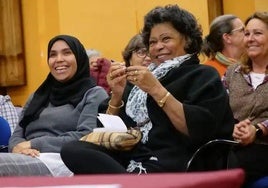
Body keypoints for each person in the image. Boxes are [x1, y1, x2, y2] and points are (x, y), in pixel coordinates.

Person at [61, 4, 235, 174]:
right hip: (130, 155)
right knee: (72, 150)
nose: (158, 46)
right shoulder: (140, 79)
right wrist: (117, 95)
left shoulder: (202, 75)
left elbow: (199, 130)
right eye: (152, 42)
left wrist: (156, 90)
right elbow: (106, 134)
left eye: (166, 39)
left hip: (174, 159)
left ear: (188, 40)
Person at [0, 35, 108, 176]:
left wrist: (34, 144)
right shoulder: (38, 96)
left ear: (80, 58)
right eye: (53, 55)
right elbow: (18, 133)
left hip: (62, 160)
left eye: (67, 53)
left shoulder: (94, 94)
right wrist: (17, 148)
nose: (59, 59)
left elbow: (86, 136)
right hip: (26, 156)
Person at [222, 12, 268, 187]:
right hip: (231, 144)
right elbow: (219, 107)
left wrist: (257, 130)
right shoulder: (232, 73)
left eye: (258, 33)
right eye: (247, 33)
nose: (250, 39)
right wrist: (231, 126)